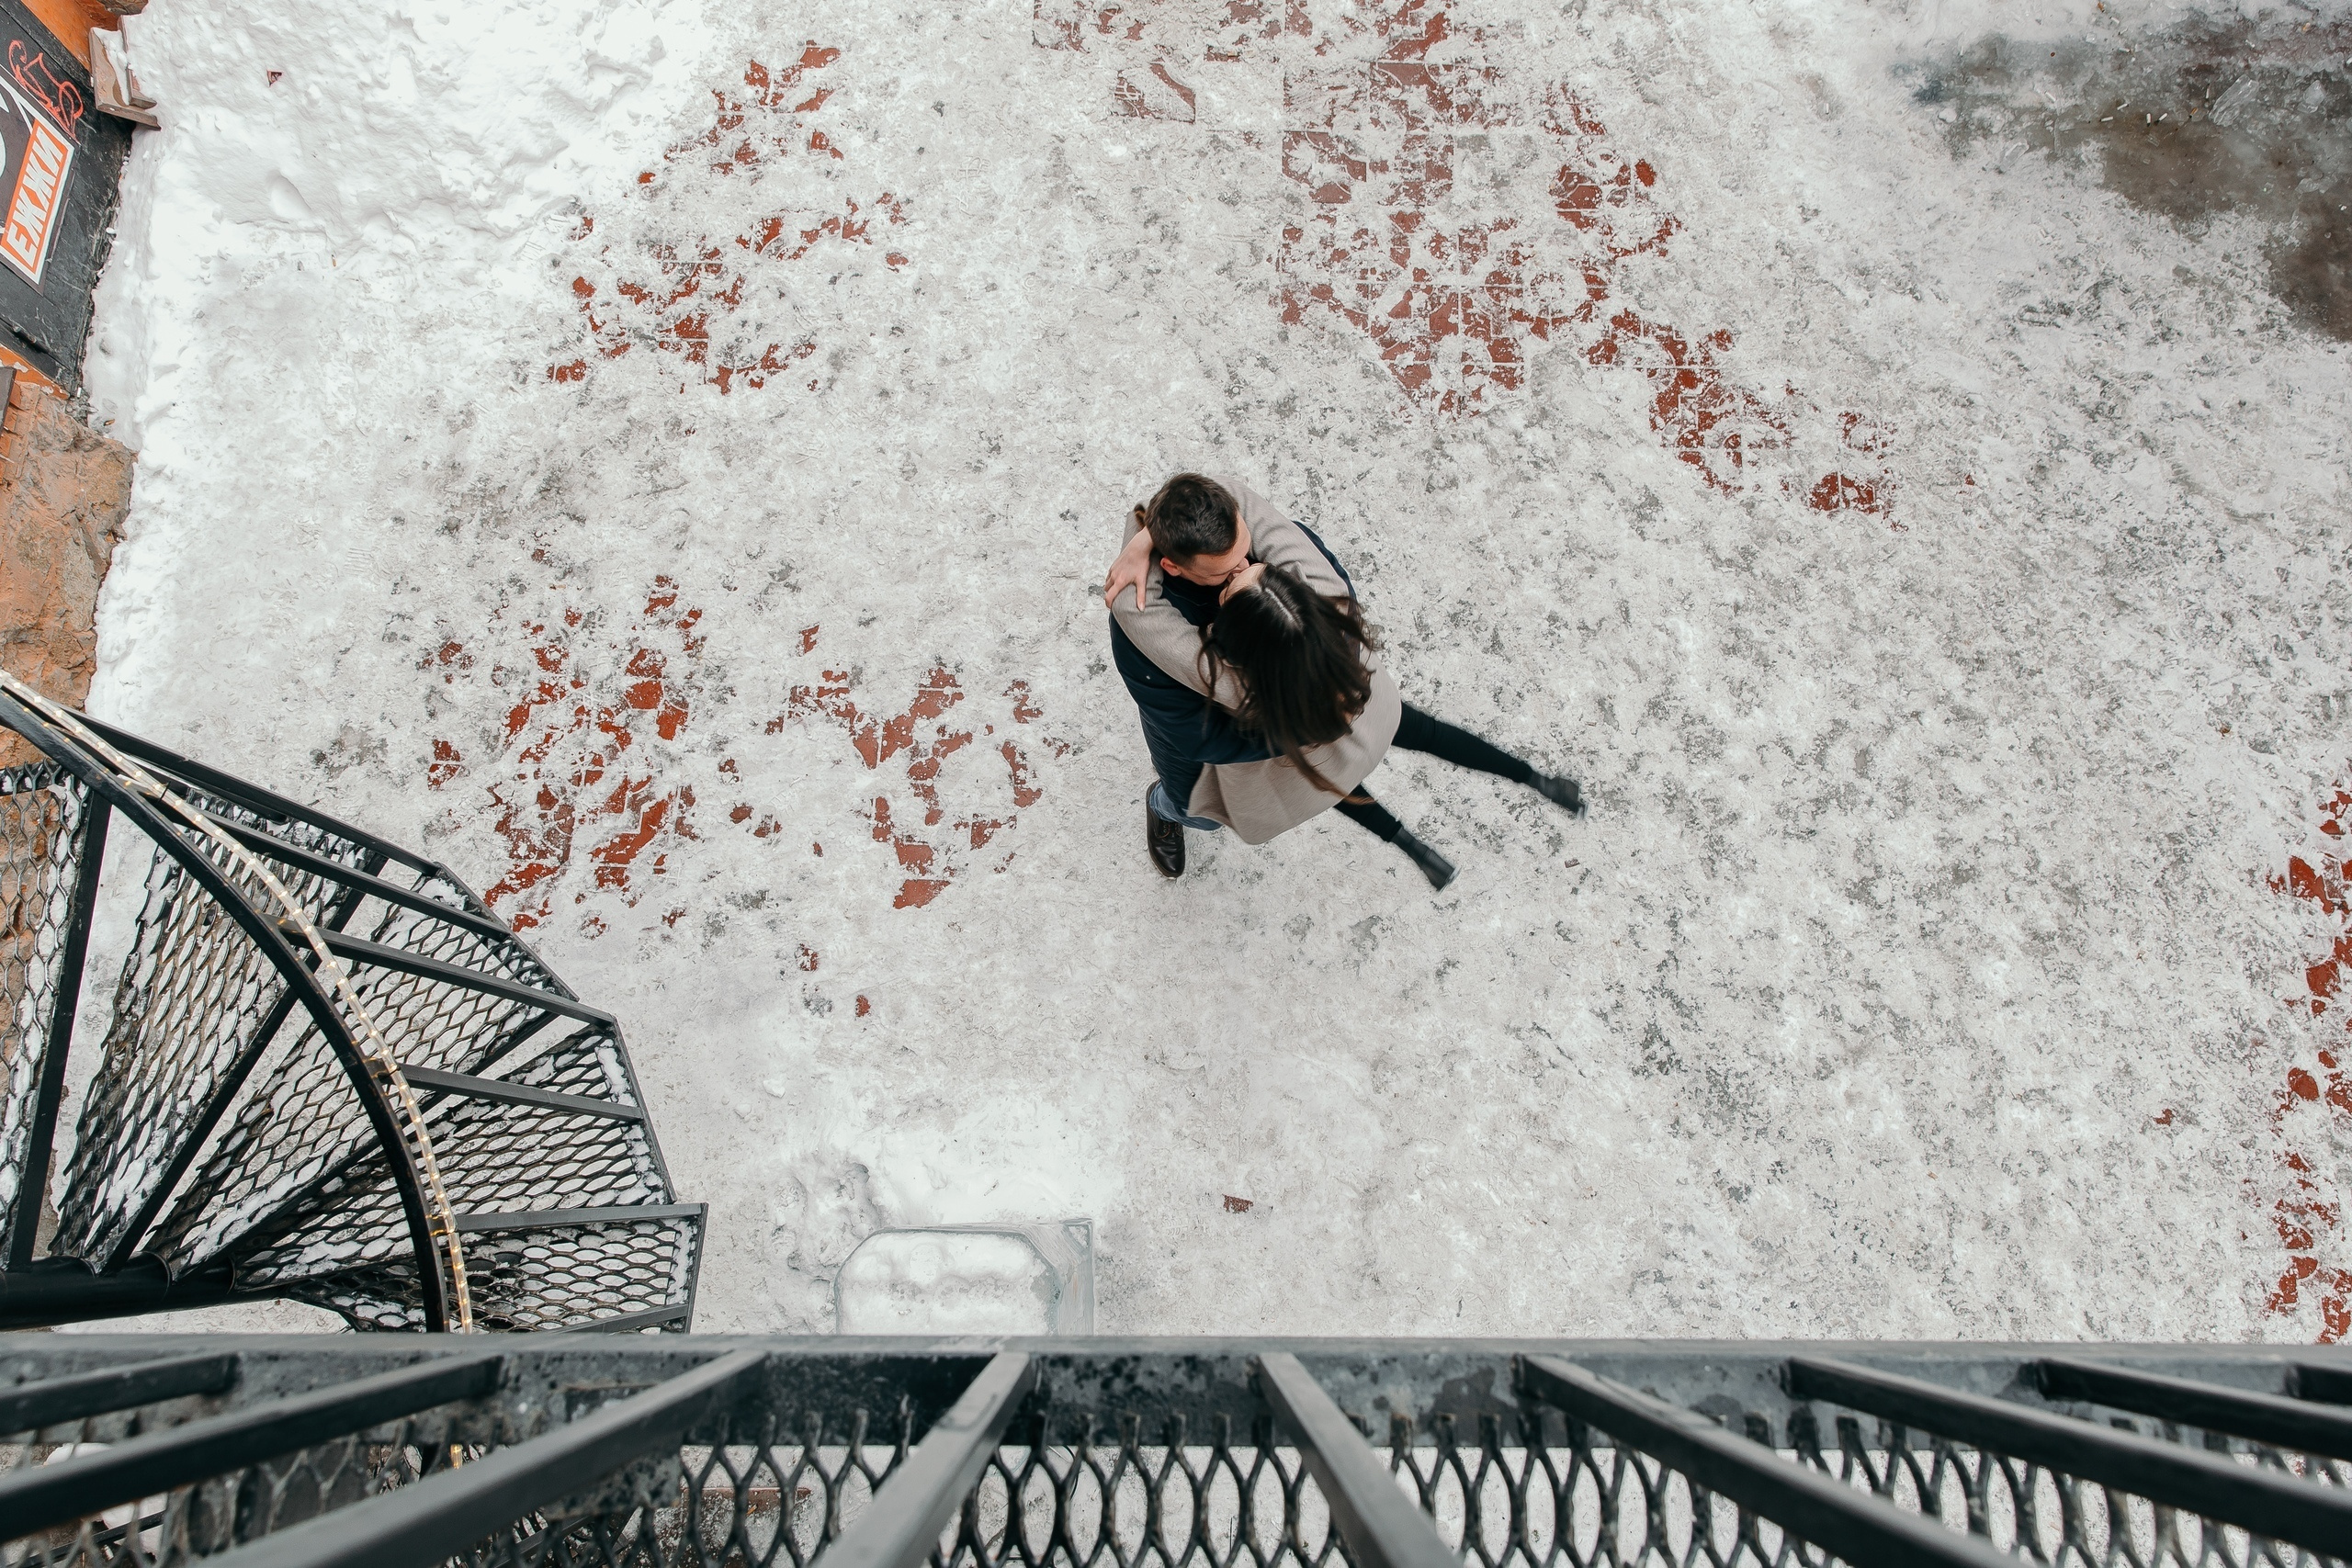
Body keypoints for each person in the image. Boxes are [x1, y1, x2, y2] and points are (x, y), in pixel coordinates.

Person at [1103, 472, 1584, 887]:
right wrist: (1149, 534)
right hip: (1331, 700)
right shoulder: (1325, 597)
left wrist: (1142, 533)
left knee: (1328, 777)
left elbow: (1133, 609)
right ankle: (1166, 808)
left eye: (1246, 558)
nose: (1246, 566)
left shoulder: (1215, 673)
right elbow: (1198, 738)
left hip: (1293, 726)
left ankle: (1470, 811)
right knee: (1213, 806)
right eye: (1229, 574)